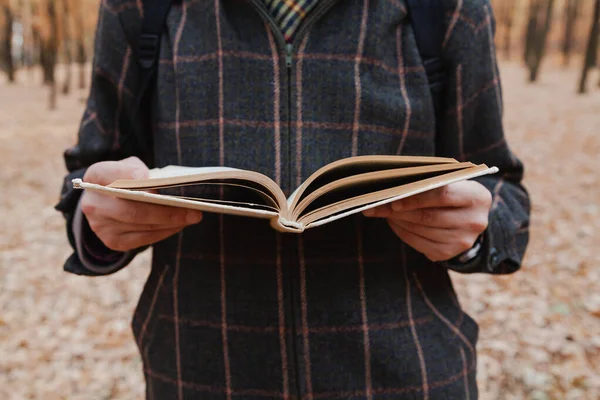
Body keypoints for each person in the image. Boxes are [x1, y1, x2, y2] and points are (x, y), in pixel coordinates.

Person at [56, 0, 531, 398]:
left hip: (409, 377)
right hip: (193, 374)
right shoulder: (141, 7)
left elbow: (502, 186)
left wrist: (475, 229)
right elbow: (89, 178)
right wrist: (98, 222)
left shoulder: (449, 8)